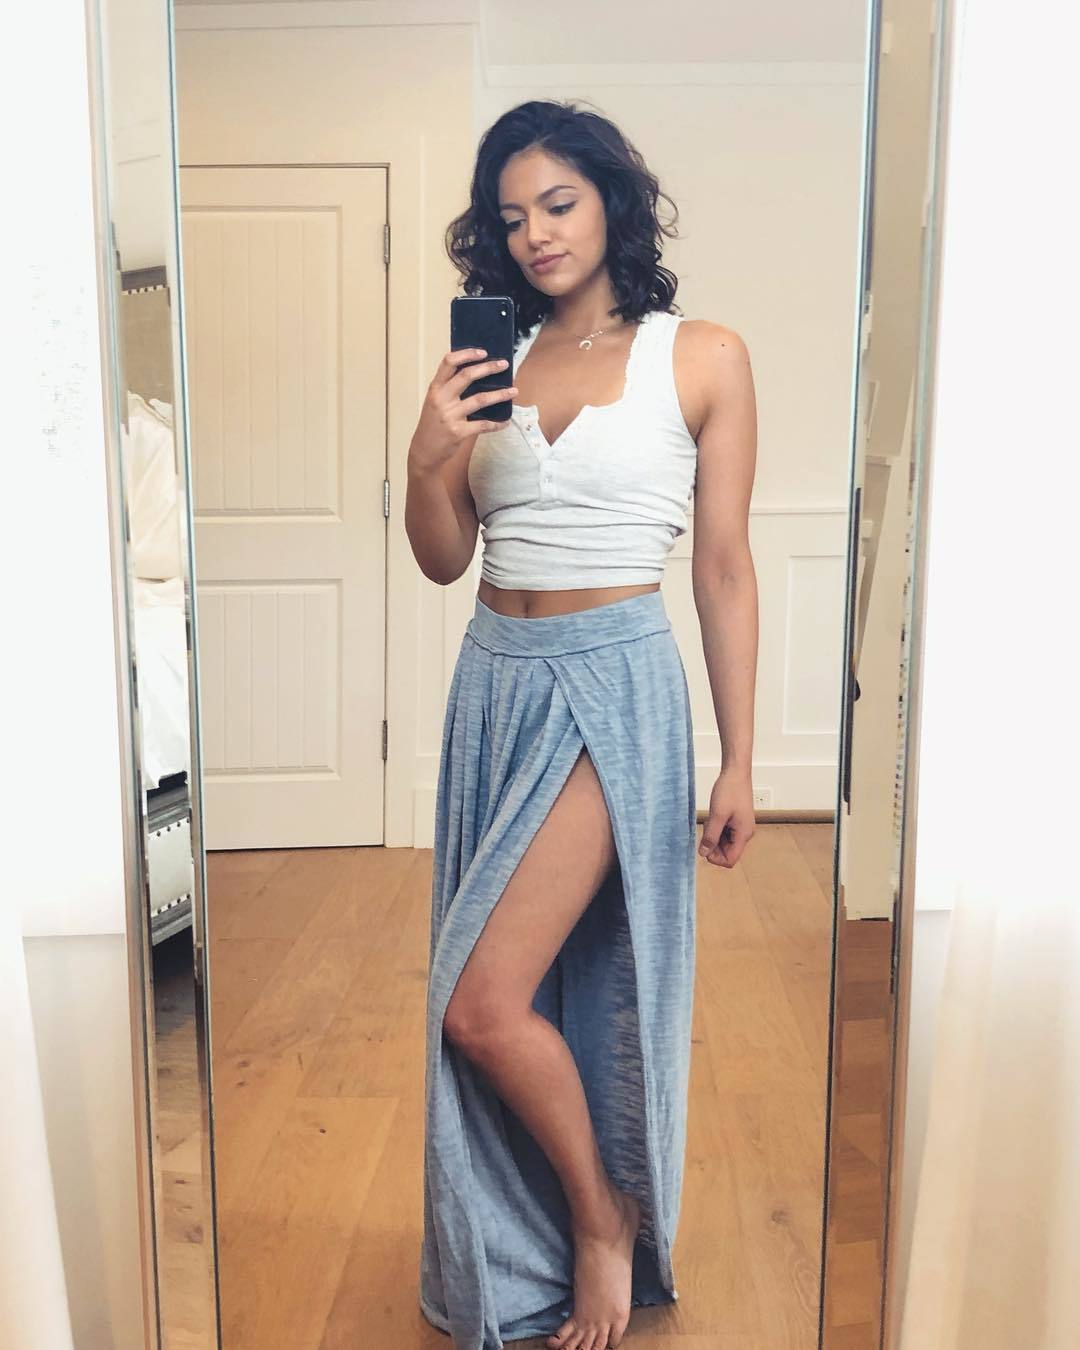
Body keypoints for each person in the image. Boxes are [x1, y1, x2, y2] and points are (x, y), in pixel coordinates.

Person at [406, 98, 758, 1350]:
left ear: (612, 199)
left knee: (483, 1002)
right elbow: (442, 558)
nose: (537, 234)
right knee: (490, 994)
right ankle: (545, 1229)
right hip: (496, 677)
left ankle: (606, 1220)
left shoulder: (700, 356)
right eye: (511, 218)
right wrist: (429, 453)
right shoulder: (487, 361)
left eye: (558, 203)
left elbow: (723, 567)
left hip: (614, 684)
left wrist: (741, 758)